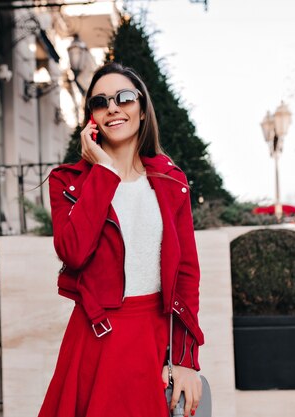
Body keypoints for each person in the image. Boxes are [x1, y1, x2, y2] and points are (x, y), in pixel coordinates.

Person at [38, 62, 204, 417]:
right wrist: (104, 173)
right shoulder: (68, 182)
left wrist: (186, 359)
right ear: (92, 119)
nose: (113, 107)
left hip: (155, 335)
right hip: (96, 340)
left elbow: (187, 273)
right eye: (100, 102)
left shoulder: (171, 180)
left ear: (142, 110)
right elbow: (74, 253)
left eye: (124, 98)